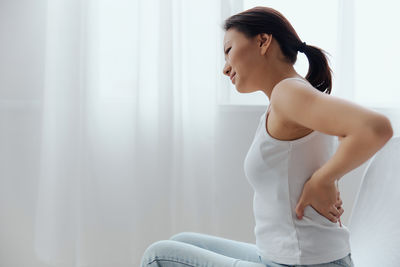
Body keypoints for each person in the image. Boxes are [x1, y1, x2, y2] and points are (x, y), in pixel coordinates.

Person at [140, 6, 393, 267]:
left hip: (305, 263)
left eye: (228, 51)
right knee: (182, 242)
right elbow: (340, 139)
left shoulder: (288, 93)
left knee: (157, 257)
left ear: (263, 41)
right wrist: (330, 176)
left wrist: (322, 180)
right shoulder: (287, 98)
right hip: (286, 258)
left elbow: (376, 128)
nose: (225, 69)